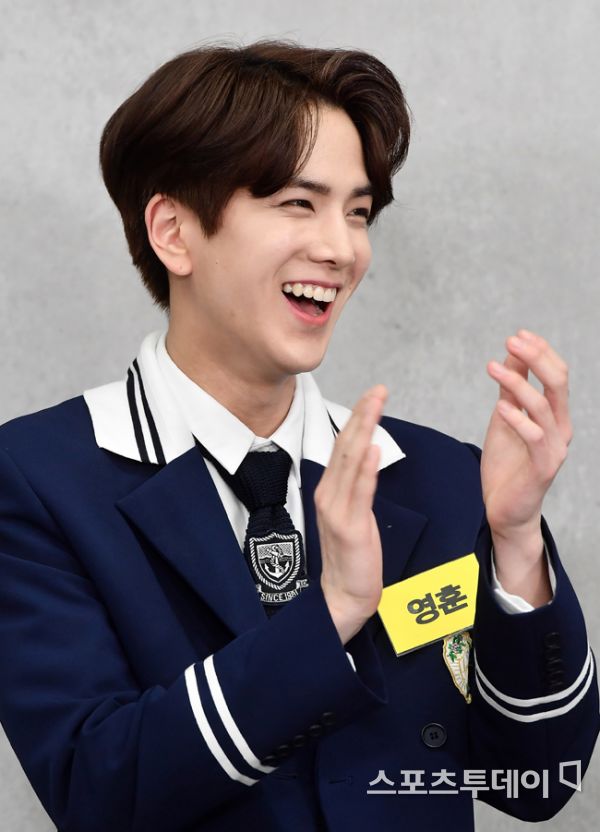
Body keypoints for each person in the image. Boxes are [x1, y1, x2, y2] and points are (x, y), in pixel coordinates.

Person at [0, 41, 597, 832]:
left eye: (357, 212)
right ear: (173, 231)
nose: (342, 249)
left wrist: (517, 544)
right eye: (297, 203)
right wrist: (335, 611)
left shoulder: (440, 477)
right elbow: (98, 787)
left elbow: (537, 783)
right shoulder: (41, 480)